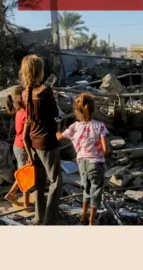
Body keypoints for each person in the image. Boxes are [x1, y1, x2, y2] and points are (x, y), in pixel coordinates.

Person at [21, 54, 62, 225]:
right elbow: (54, 113)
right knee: (56, 181)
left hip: (32, 141)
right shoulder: (46, 91)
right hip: (47, 143)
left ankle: (39, 217)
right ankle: (49, 220)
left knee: (39, 184)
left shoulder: (24, 93)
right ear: (39, 72)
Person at [56, 93, 109, 225]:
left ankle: (83, 217)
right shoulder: (99, 126)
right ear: (93, 109)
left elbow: (59, 137)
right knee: (95, 191)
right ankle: (91, 221)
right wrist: (100, 154)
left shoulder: (74, 127)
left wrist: (56, 128)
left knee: (86, 189)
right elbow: (106, 149)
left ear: (76, 111)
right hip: (95, 163)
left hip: (82, 164)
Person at [4, 86, 31, 208]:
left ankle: (12, 193)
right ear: (22, 97)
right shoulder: (25, 113)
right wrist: (30, 155)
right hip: (23, 148)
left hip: (17, 146)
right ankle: (24, 202)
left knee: (23, 174)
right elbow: (25, 137)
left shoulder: (19, 111)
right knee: (26, 177)